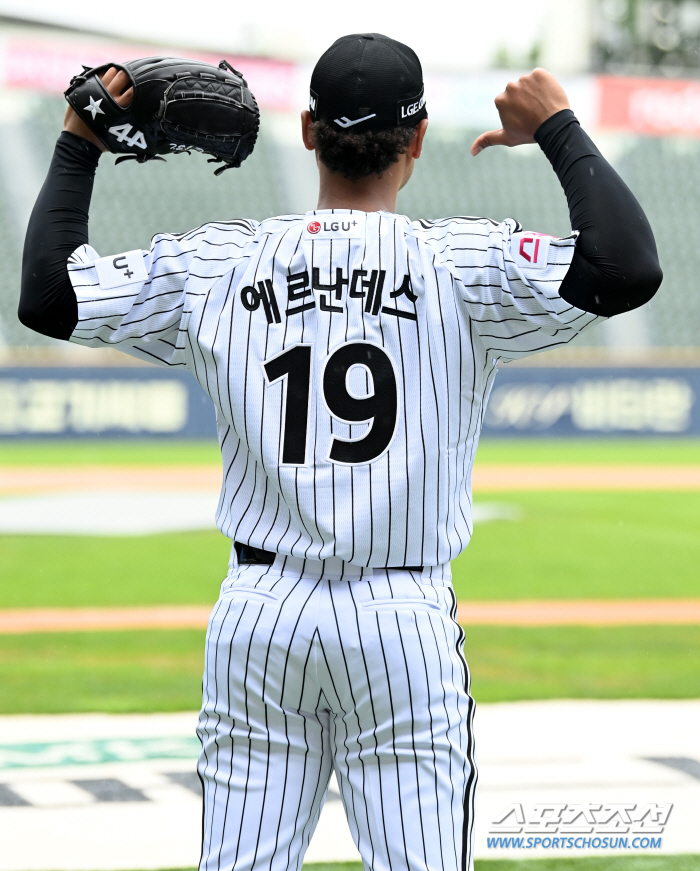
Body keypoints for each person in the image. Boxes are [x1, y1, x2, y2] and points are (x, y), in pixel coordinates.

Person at [19, 32, 661, 871]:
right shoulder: (460, 263)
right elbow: (627, 267)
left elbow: (50, 296)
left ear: (310, 132)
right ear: (421, 138)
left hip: (260, 616)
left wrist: (79, 139)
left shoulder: (221, 258)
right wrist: (559, 128)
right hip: (402, 620)